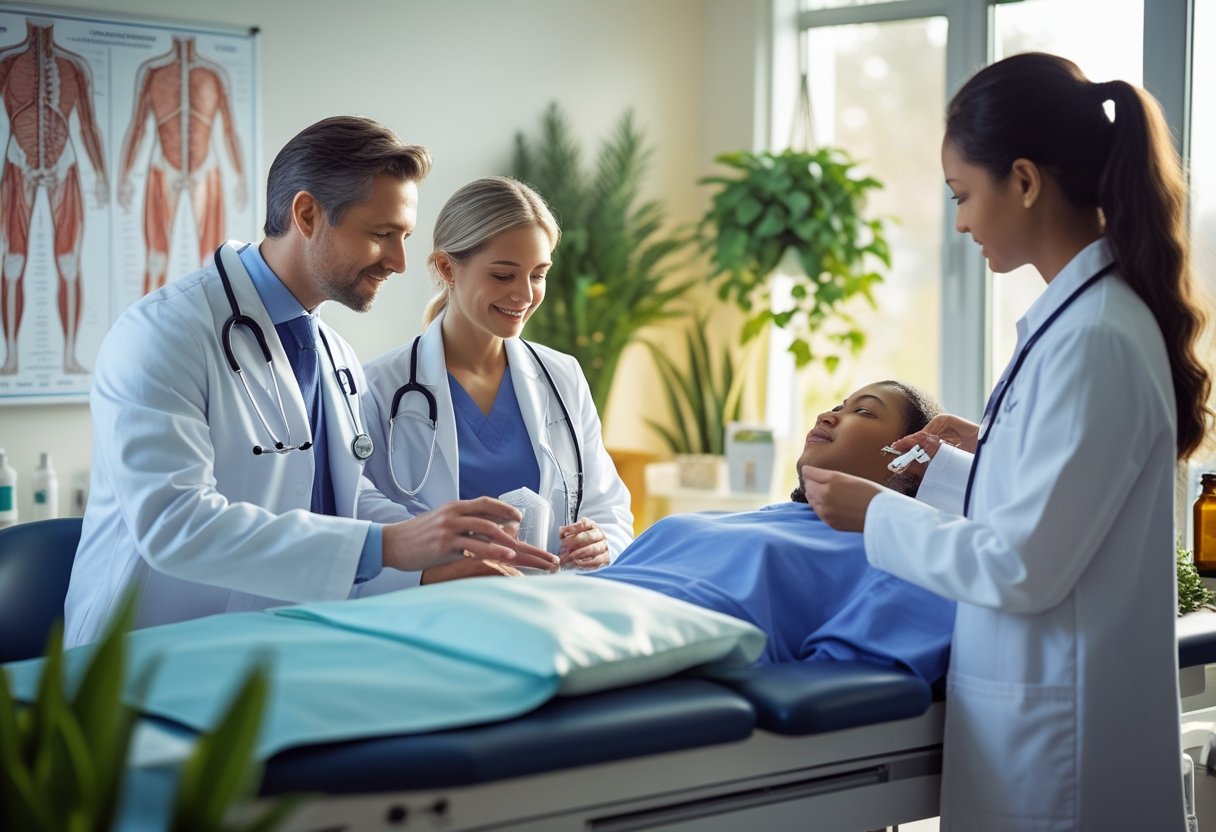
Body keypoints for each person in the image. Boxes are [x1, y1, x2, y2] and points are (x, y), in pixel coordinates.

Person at [801, 53, 1213, 831]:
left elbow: (1025, 565)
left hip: (1063, 750)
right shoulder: (1076, 323)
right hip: (1039, 724)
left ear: (1023, 180)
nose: (959, 222)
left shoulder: (1094, 337)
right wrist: (957, 468)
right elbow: (1056, 510)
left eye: (963, 195)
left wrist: (874, 513)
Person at [64, 118, 557, 648]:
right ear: (306, 214)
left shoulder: (333, 354)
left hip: (270, 648)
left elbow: (337, 496)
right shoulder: (165, 333)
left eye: (405, 236)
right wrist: (390, 545)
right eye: (380, 235)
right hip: (141, 659)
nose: (398, 261)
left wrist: (440, 549)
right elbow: (176, 523)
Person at [358, 176, 633, 590]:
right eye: (504, 276)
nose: (524, 295)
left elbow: (607, 504)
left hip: (550, 609)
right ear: (447, 268)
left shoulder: (563, 377)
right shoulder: (379, 386)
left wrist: (602, 542)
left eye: (538, 275)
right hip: (435, 612)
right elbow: (360, 516)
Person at [587, 380, 955, 682]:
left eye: (863, 411)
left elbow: (846, 680)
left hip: (630, 648)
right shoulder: (745, 519)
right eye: (838, 406)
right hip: (581, 608)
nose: (827, 416)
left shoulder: (901, 555)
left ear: (912, 463)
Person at [0, 19, 109, 375]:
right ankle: (12, 355)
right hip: (18, 161)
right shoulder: (7, 62)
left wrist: (101, 176)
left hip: (66, 164)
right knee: (14, 261)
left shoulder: (73, 66)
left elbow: (89, 124)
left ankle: (68, 357)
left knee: (68, 263)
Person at [117, 35, 248, 296]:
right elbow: (137, 126)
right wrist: (124, 175)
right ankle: (150, 331)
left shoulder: (214, 73)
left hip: (206, 167)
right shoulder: (152, 72)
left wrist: (240, 177)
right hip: (163, 165)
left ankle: (214, 332)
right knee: (155, 258)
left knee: (213, 259)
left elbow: (230, 129)